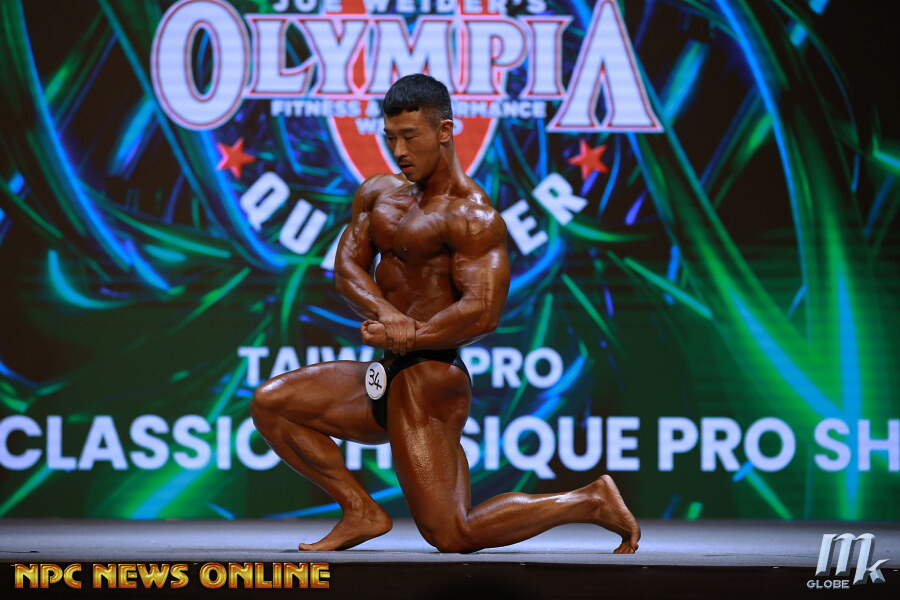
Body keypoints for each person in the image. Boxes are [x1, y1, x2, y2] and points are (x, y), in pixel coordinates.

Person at [250, 74, 640, 554]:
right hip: (385, 371)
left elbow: (483, 312)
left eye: (409, 137)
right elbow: (347, 267)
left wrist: (407, 337)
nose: (398, 151)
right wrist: (387, 314)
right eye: (390, 137)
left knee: (453, 534)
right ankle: (360, 510)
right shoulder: (378, 194)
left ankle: (588, 500)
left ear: (445, 130)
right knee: (272, 404)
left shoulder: (472, 217)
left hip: (430, 378)